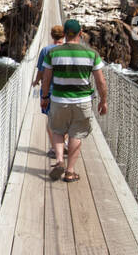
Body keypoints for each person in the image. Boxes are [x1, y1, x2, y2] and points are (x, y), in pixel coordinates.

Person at [39, 18, 108, 182]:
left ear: (64, 34)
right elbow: (101, 82)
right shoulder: (92, 54)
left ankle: (59, 161)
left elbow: (46, 79)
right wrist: (103, 101)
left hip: (58, 99)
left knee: (57, 130)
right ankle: (70, 172)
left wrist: (44, 97)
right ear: (80, 33)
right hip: (82, 101)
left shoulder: (53, 53)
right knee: (76, 134)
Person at [31, 24, 64, 158]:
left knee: (51, 120)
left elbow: (41, 70)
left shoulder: (45, 50)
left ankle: (54, 147)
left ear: (51, 35)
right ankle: (64, 143)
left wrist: (36, 81)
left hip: (49, 90)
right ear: (64, 35)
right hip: (65, 90)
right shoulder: (68, 50)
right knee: (64, 119)